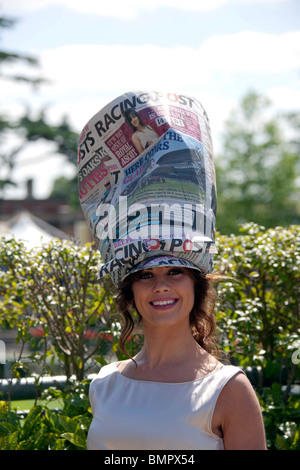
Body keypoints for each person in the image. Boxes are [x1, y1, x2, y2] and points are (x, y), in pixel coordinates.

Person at [87, 255, 267, 450]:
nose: (161, 286)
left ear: (195, 285)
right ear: (130, 290)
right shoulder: (105, 383)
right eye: (146, 275)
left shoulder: (230, 388)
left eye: (175, 271)